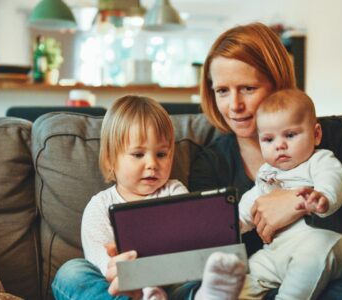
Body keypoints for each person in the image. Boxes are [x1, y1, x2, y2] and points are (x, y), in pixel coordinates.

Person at [189, 22, 342, 299]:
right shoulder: (210, 163)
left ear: (276, 84)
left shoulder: (331, 136)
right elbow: (206, 244)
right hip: (269, 279)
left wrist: (299, 203)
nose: (234, 106)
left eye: (247, 88)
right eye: (222, 91)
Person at [51, 95, 246, 300]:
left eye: (161, 154)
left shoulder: (175, 192)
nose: (152, 164)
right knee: (71, 272)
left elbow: (189, 244)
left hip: (171, 285)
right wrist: (121, 269)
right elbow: (100, 261)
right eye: (138, 154)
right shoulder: (99, 205)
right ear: (110, 160)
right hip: (122, 287)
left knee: (197, 280)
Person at [238, 89, 342, 299]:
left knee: (312, 254)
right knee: (241, 279)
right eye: (268, 139)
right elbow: (251, 203)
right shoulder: (266, 174)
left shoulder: (320, 160)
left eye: (290, 135)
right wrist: (234, 223)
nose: (280, 145)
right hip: (278, 252)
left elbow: (334, 179)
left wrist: (323, 197)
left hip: (330, 243)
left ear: (316, 134)